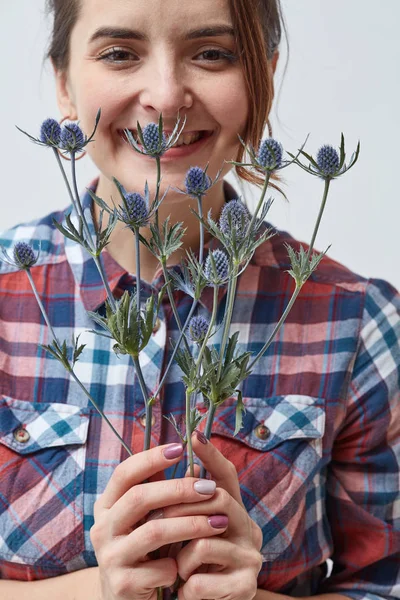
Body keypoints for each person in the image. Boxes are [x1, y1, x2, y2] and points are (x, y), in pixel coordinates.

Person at [0, 1, 399, 599]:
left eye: (212, 53)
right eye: (119, 53)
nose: (165, 95)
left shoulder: (360, 324)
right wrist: (98, 590)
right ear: (63, 84)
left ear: (263, 79)